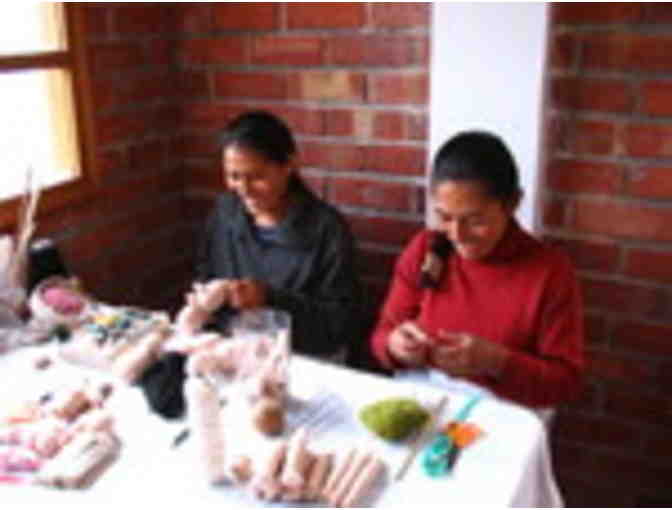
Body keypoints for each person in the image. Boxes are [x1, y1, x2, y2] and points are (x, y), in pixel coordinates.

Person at [370, 131, 585, 409]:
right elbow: (383, 334)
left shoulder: (549, 272)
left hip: (503, 409)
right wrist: (395, 346)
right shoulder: (427, 249)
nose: (457, 235)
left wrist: (496, 362)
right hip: (424, 397)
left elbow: (565, 383)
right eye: (444, 217)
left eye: (475, 221)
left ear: (512, 204)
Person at [195, 110, 362, 359]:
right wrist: (208, 300)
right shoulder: (225, 212)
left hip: (303, 355)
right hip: (237, 347)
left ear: (289, 165)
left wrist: (269, 298)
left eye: (257, 177)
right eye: (233, 176)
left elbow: (339, 325)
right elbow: (206, 273)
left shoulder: (327, 230)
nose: (243, 189)